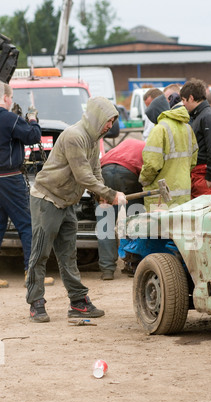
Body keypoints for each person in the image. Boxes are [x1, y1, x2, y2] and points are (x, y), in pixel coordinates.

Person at [26, 96, 127, 323]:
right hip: (47, 199)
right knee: (40, 254)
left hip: (67, 202)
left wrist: (100, 195)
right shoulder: (74, 136)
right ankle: (36, 302)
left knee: (69, 256)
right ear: (96, 117)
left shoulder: (92, 139)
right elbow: (83, 175)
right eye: (108, 120)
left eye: (112, 121)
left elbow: (95, 171)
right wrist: (112, 195)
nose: (110, 126)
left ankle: (78, 302)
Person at [0, 81, 54, 288]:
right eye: (11, 97)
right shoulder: (9, 119)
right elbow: (33, 136)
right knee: (27, 224)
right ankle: (31, 273)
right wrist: (32, 119)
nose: (11, 101)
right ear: (5, 98)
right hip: (10, 179)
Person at [96, 138, 146, 280]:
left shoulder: (120, 147)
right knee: (134, 220)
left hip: (105, 171)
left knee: (105, 223)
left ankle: (107, 269)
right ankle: (133, 263)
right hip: (128, 174)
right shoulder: (146, 148)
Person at [139, 93, 198, 211]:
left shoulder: (159, 129)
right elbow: (193, 161)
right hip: (183, 193)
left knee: (159, 228)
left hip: (161, 197)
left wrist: (143, 180)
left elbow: (152, 164)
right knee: (180, 227)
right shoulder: (187, 128)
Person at [180, 78, 211, 199]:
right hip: (198, 174)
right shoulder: (199, 116)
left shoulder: (207, 117)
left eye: (184, 100)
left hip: (203, 175)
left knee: (201, 212)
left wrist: (209, 178)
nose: (183, 104)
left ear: (191, 98)